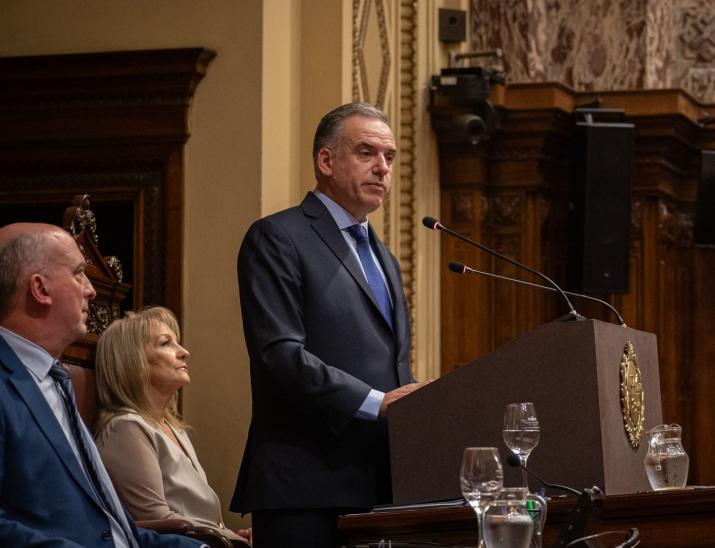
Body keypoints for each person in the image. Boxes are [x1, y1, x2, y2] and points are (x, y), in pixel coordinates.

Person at [230, 102, 429, 548]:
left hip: (382, 490)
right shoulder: (278, 237)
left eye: (390, 157)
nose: (382, 167)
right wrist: (376, 402)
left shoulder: (386, 260)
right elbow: (278, 354)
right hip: (305, 488)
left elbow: (392, 371)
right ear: (326, 160)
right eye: (366, 152)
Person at [0, 223, 202, 548]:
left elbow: (116, 529)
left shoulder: (56, 381)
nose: (91, 290)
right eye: (79, 273)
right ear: (40, 289)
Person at [94, 306, 252, 544]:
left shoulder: (174, 428)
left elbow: (194, 516)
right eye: (166, 343)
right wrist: (233, 540)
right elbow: (158, 520)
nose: (184, 352)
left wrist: (233, 535)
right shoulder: (125, 428)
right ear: (132, 361)